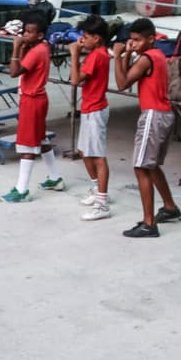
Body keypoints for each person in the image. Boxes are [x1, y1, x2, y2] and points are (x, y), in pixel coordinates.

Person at [113, 17, 181, 238]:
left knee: (141, 167)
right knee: (150, 166)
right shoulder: (157, 55)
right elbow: (128, 76)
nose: (134, 44)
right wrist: (126, 56)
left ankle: (148, 223)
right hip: (163, 113)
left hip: (153, 114)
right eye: (131, 40)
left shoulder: (145, 59)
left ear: (151, 39)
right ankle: (170, 207)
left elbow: (122, 83)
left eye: (138, 40)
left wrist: (116, 57)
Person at [1, 11, 63, 202]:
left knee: (27, 145)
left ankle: (21, 189)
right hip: (39, 98)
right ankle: (55, 178)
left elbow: (14, 72)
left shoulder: (36, 52)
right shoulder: (43, 47)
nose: (25, 35)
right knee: (41, 139)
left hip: (31, 100)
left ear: (40, 35)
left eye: (29, 32)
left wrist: (16, 48)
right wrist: (23, 47)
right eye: (24, 32)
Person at [70, 15, 112, 221]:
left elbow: (75, 80)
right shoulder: (97, 53)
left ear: (96, 38)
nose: (83, 40)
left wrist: (74, 54)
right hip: (89, 107)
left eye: (86, 36)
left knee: (97, 155)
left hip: (95, 109)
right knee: (85, 151)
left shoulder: (97, 56)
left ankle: (102, 203)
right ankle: (97, 189)